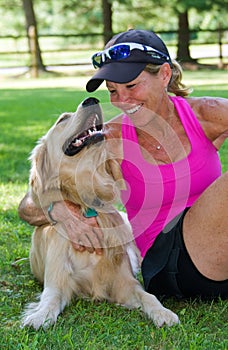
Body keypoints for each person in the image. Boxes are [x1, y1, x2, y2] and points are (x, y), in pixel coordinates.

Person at [18, 29, 228, 300]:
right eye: (113, 91)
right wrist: (60, 210)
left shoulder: (206, 114)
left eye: (131, 86)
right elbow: (28, 204)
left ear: (164, 75)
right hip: (169, 264)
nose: (121, 101)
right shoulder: (111, 139)